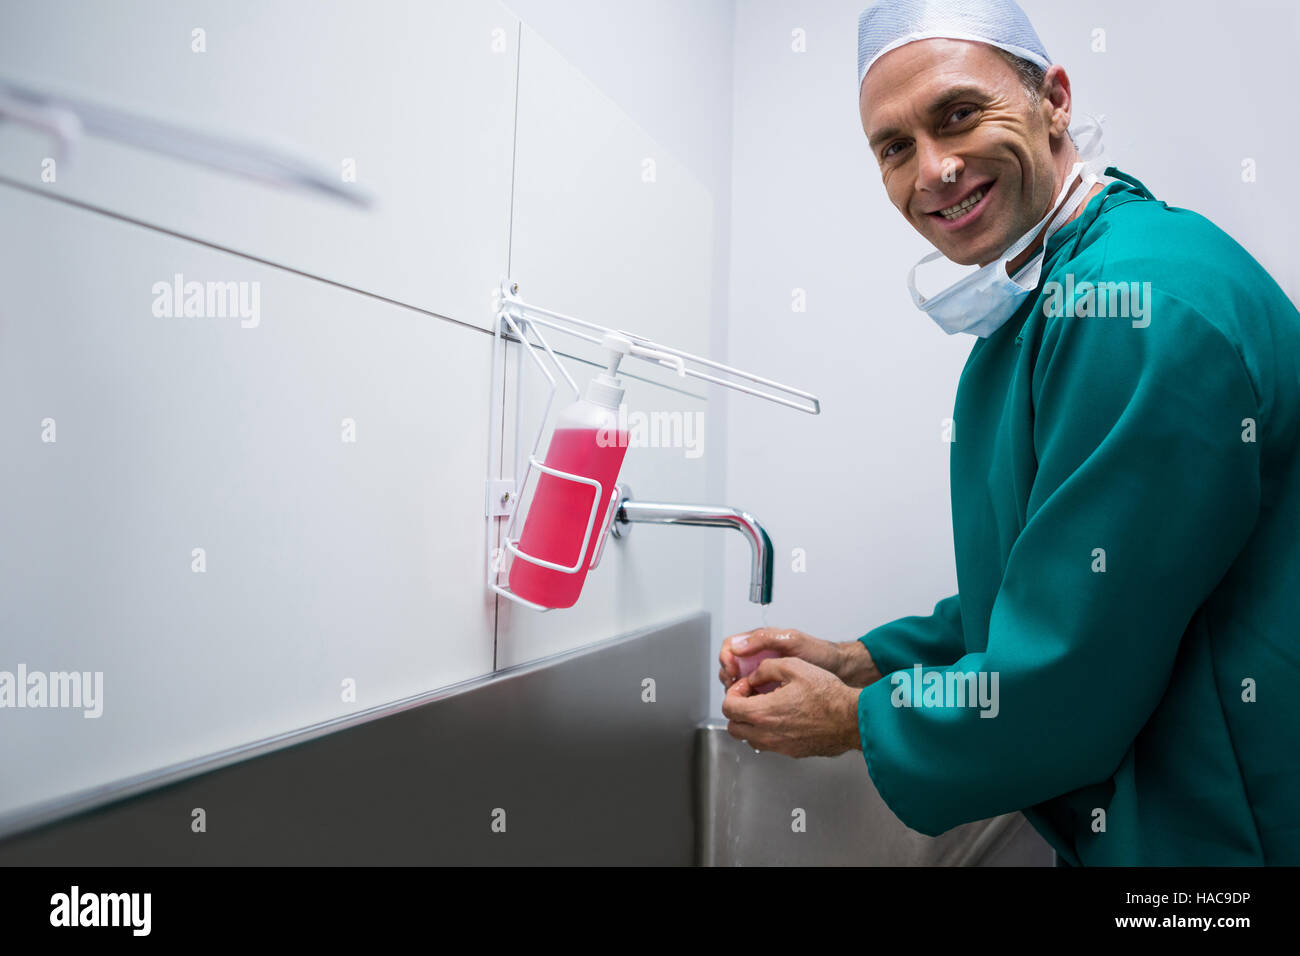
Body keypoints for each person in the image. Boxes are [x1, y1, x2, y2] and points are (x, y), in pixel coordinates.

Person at [720, 0, 1300, 866]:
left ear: (1054, 99)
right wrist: (866, 661)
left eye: (958, 114)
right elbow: (1046, 582)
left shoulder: (1134, 311)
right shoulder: (1052, 303)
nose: (935, 170)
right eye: (895, 147)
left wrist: (852, 722)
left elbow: (1072, 673)